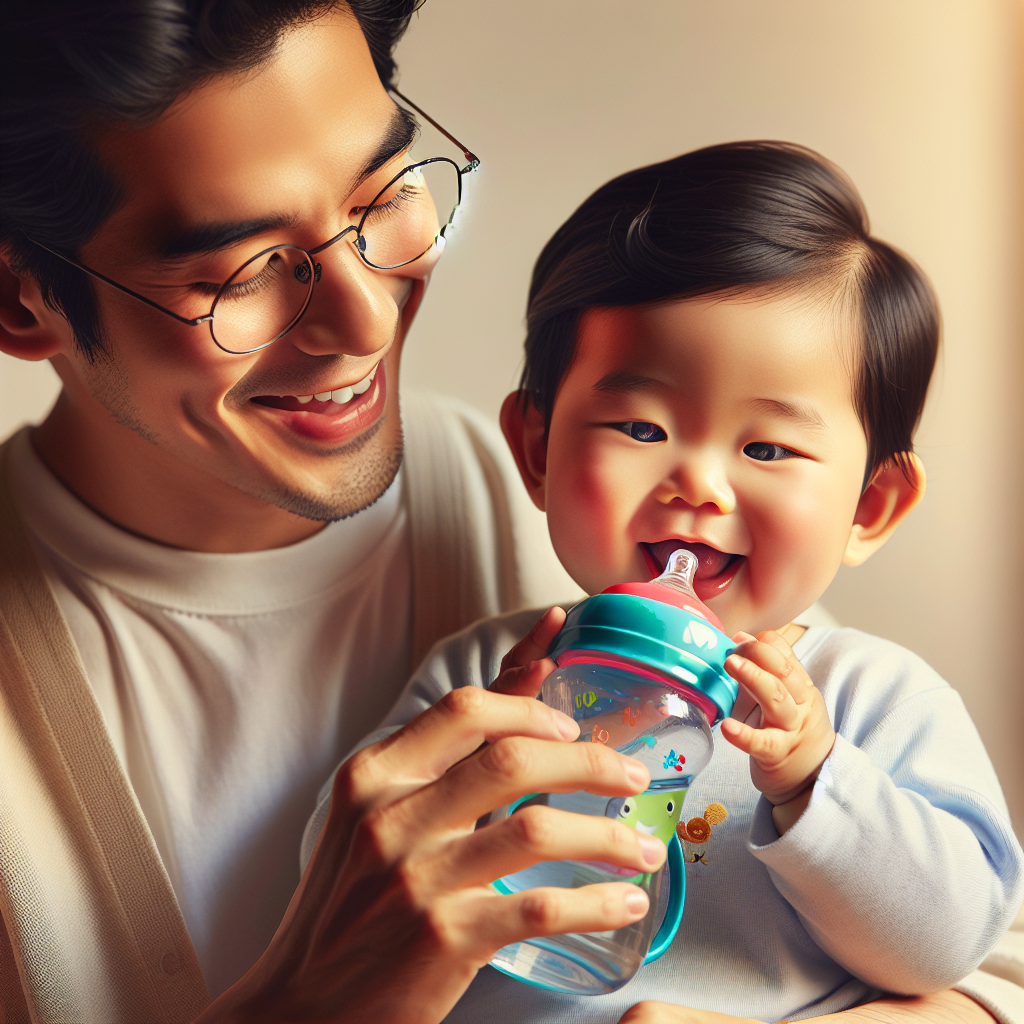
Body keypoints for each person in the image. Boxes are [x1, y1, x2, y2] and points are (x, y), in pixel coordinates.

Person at [0, 2, 1018, 1022]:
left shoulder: (779, 656)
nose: (365, 319)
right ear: (20, 298)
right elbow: (359, 892)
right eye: (241, 268)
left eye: (383, 193)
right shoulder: (512, 629)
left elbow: (977, 952)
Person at [302, 143, 1024, 1023]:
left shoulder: (874, 700)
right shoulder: (487, 677)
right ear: (536, 449)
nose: (700, 486)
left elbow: (950, 945)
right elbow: (342, 886)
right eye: (640, 427)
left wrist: (813, 780)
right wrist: (477, 773)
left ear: (871, 504)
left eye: (766, 449)